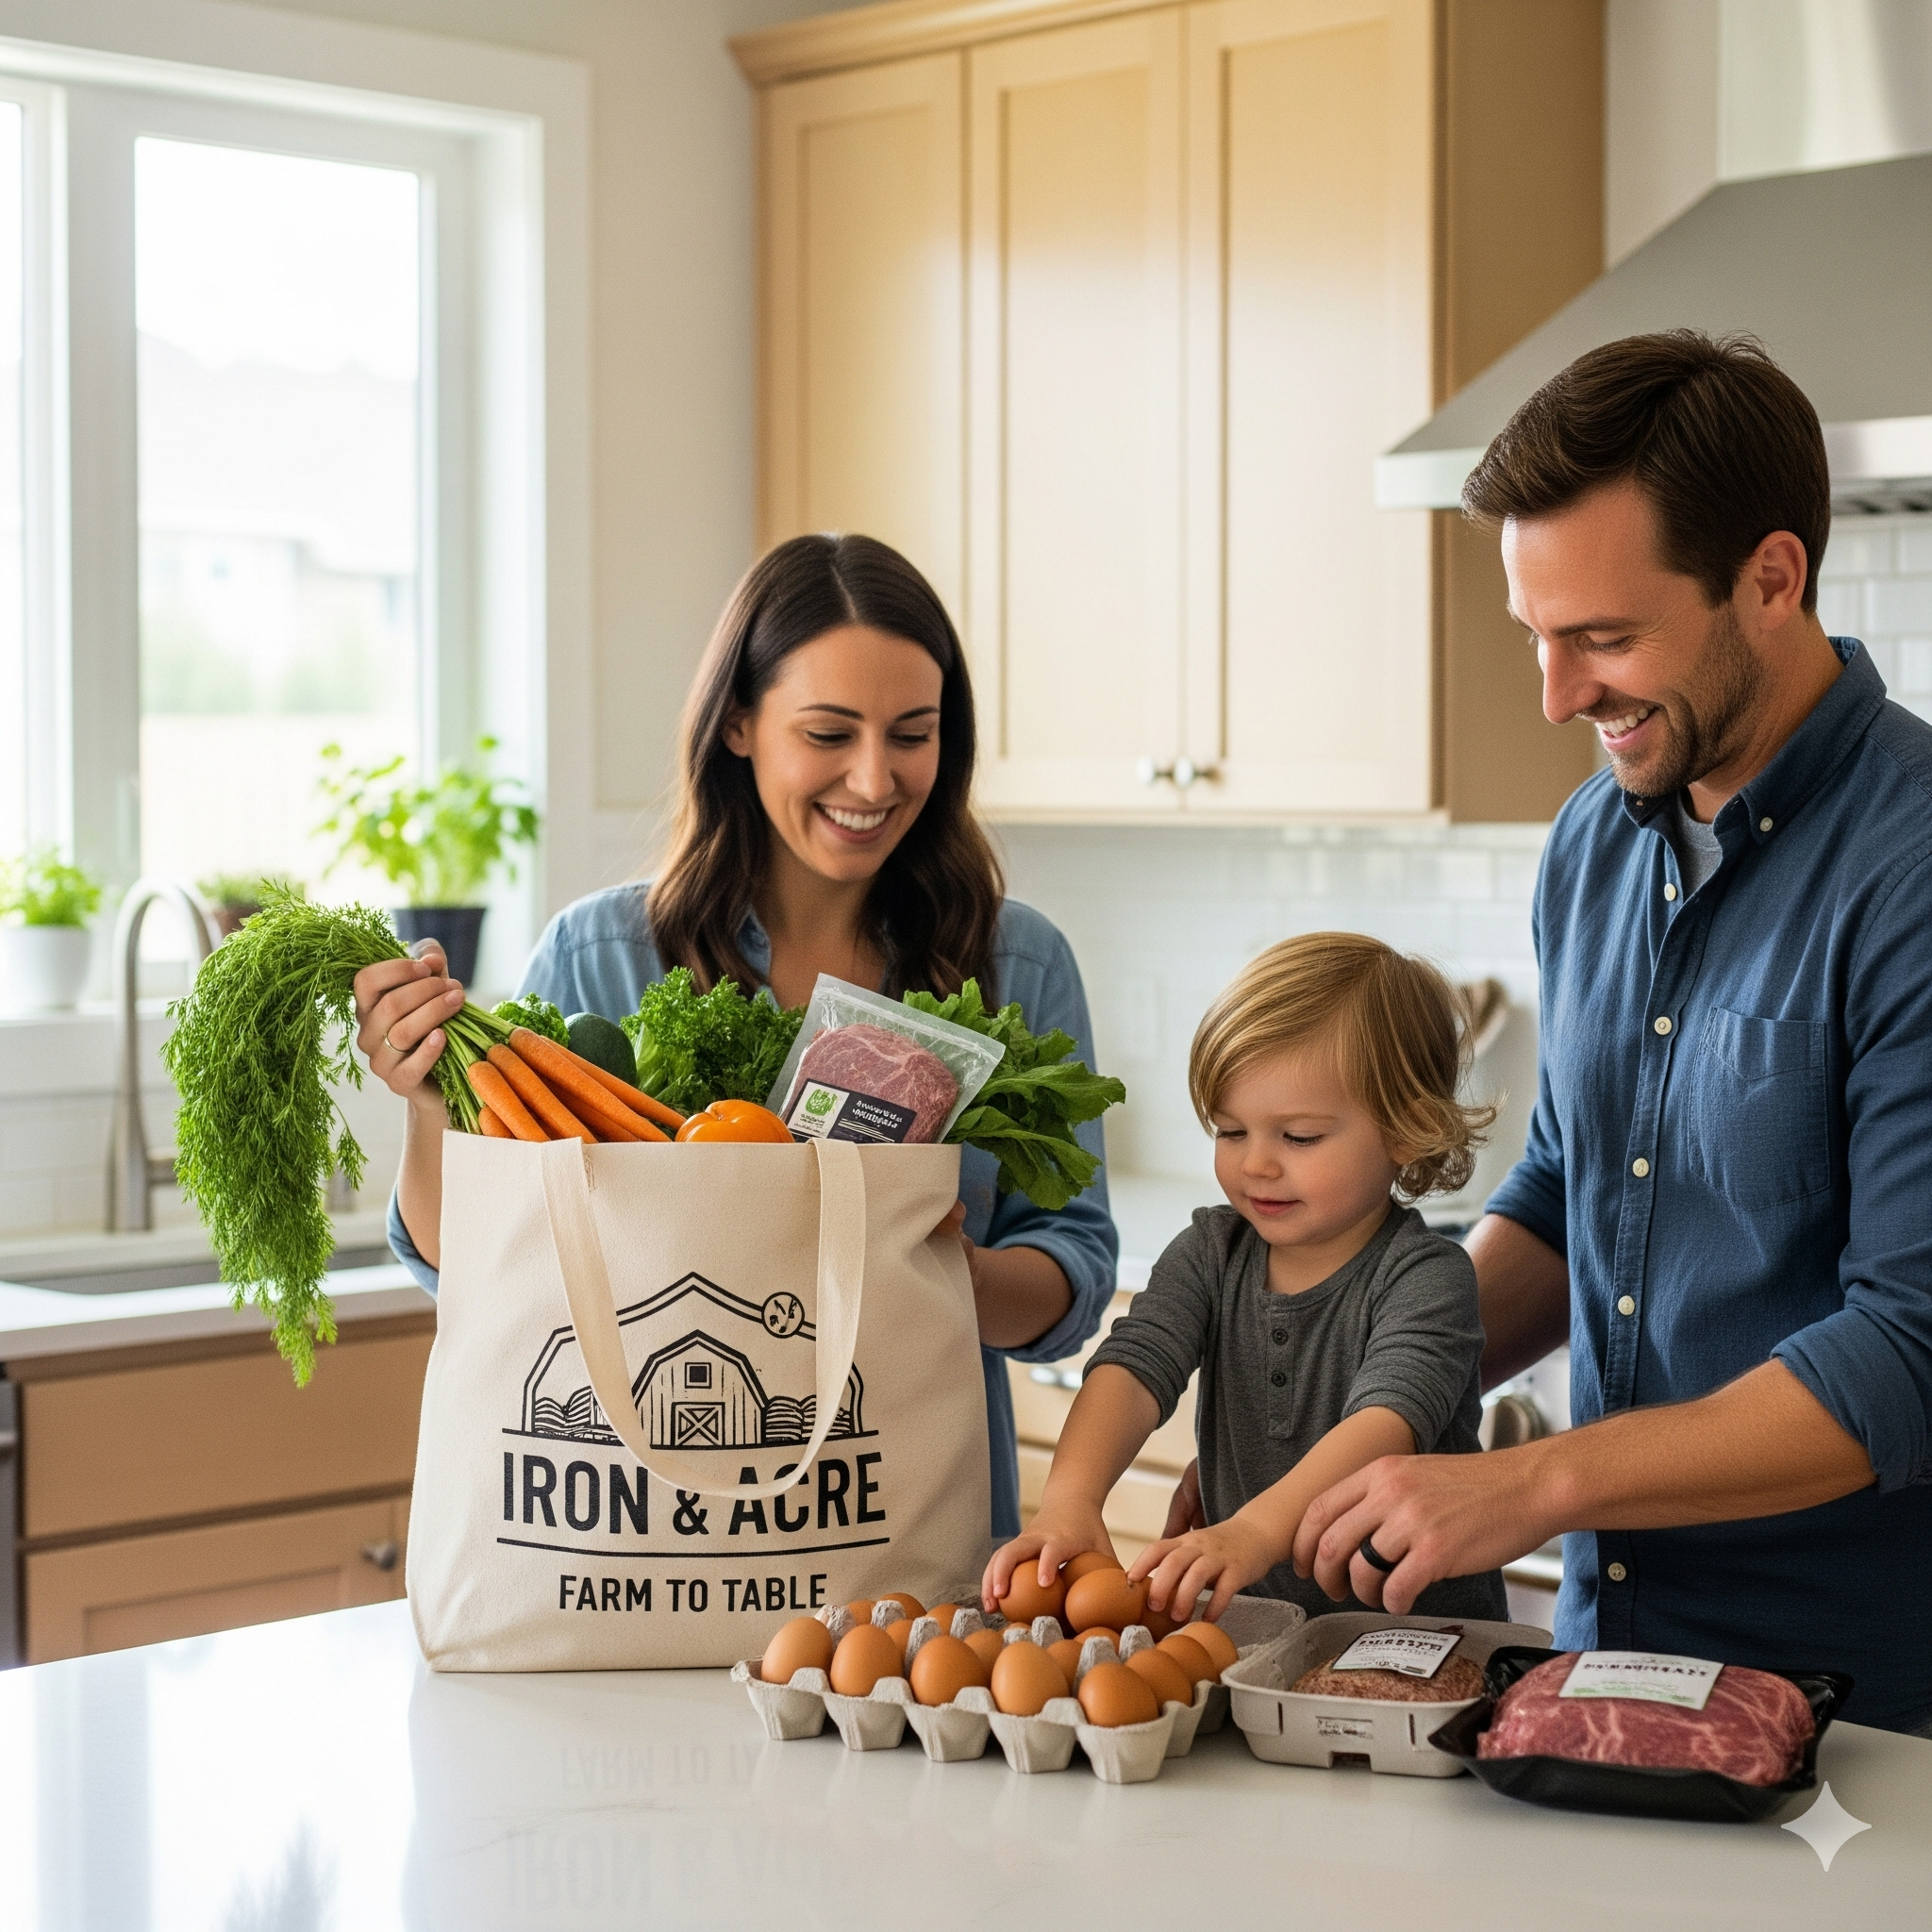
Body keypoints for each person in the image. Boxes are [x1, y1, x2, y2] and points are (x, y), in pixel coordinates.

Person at [1287, 332, 1932, 1733]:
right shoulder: (1592, 844)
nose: (1559, 696)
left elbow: (1906, 1350)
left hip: (1864, 1714)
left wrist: (1523, 1482)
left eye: (1606, 638)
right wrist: (1361, 1390)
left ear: (1772, 578)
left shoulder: (1914, 868)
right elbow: (1574, 1193)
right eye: (1538, 635)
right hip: (1601, 1670)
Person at [354, 532, 1120, 1539]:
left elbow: (1072, 1269)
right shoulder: (600, 954)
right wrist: (424, 1102)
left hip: (903, 1549)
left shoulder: (1015, 964)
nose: (875, 778)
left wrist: (931, 1276)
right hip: (646, 1537)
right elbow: (477, 1265)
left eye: (911, 734)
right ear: (738, 725)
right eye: (829, 732)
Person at [983, 933, 1507, 1624]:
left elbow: (1382, 1428)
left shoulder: (1427, 1278)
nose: (1255, 1164)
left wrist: (1253, 1532)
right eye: (1231, 1132)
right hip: (1258, 1636)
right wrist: (1069, 1503)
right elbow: (1133, 1369)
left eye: (1298, 1138)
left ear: (1406, 1129)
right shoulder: (1211, 1250)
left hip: (1415, 1641)